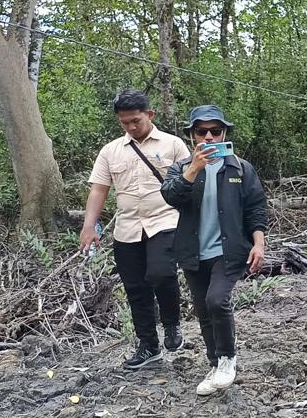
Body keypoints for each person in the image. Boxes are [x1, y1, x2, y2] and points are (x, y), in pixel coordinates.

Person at [160, 105, 268, 396]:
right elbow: (170, 196)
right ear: (192, 135)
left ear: (224, 133)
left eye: (215, 131)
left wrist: (259, 243)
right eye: (201, 131)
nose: (209, 137)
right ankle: (215, 363)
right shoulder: (182, 168)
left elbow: (256, 207)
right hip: (193, 251)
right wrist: (194, 168)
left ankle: (227, 358)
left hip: (229, 250)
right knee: (203, 309)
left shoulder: (240, 168)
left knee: (217, 300)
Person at [80, 89, 190, 370]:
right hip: (127, 227)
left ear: (150, 115)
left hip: (166, 220)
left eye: (136, 121)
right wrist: (89, 226)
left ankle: (172, 323)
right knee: (135, 288)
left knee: (161, 272)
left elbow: (191, 181)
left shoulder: (173, 145)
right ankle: (148, 346)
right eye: (124, 122)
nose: (130, 127)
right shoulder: (111, 151)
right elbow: (99, 189)